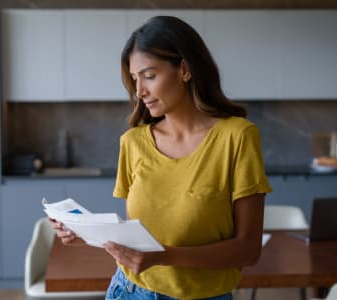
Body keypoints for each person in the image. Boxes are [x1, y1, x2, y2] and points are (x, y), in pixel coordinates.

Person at [50, 15, 272, 300]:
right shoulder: (132, 143)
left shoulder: (238, 137)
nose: (140, 91)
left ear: (185, 69)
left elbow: (248, 251)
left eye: (149, 76)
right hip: (130, 291)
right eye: (134, 79)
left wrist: (164, 256)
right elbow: (136, 237)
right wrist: (88, 233)